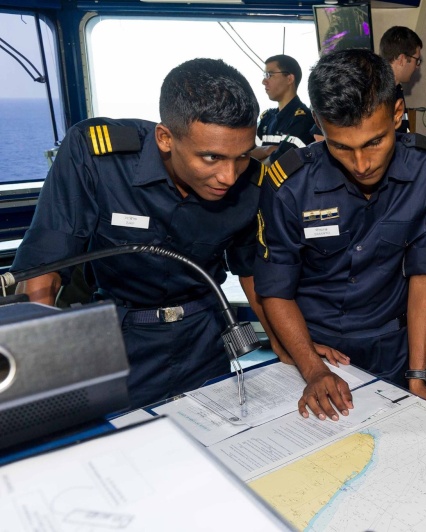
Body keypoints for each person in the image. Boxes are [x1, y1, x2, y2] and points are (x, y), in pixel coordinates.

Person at [13, 58, 268, 409]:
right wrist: (38, 369)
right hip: (120, 339)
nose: (229, 176)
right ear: (165, 138)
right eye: (211, 158)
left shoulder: (250, 180)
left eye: (241, 157)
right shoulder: (98, 156)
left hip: (204, 337)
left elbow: (253, 275)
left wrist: (296, 359)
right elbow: (46, 262)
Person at [255, 49, 426, 421]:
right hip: (311, 345)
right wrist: (312, 367)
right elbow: (274, 288)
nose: (362, 165)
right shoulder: (288, 183)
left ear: (397, 114)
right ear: (318, 124)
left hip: (392, 347)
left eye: (374, 142)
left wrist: (419, 376)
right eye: (341, 147)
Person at [251, 54, 315, 164]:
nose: (264, 81)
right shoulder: (267, 118)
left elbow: (279, 162)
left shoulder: (302, 119)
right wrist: (267, 150)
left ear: (289, 78)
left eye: (269, 75)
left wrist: (258, 155)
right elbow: (245, 152)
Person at [379, 26, 422, 133]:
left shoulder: (397, 88)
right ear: (402, 59)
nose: (417, 66)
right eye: (416, 60)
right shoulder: (376, 93)